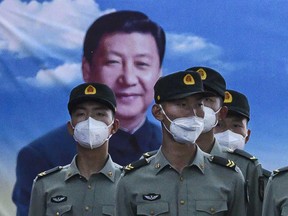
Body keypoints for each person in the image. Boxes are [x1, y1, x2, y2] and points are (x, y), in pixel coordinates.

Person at [13, 10, 165, 216]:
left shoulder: (174, 152)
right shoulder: (42, 157)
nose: (128, 78)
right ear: (86, 68)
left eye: (142, 64)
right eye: (113, 62)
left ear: (159, 74)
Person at [116, 71, 246, 216]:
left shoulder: (229, 177)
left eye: (199, 105)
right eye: (182, 104)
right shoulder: (132, 180)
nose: (193, 113)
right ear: (158, 112)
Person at [28, 82, 122, 215]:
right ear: (71, 128)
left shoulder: (129, 183)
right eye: (81, 114)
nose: (90, 121)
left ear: (114, 126)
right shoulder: (45, 184)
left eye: (100, 114)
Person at [185, 66, 263, 216]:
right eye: (194, 99)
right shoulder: (153, 167)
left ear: (220, 111)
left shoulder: (250, 169)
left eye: (207, 99)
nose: (201, 107)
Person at [214, 89, 271, 195]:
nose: (227, 132)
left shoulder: (267, 184)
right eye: (219, 125)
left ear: (247, 136)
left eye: (236, 126)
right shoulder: (189, 174)